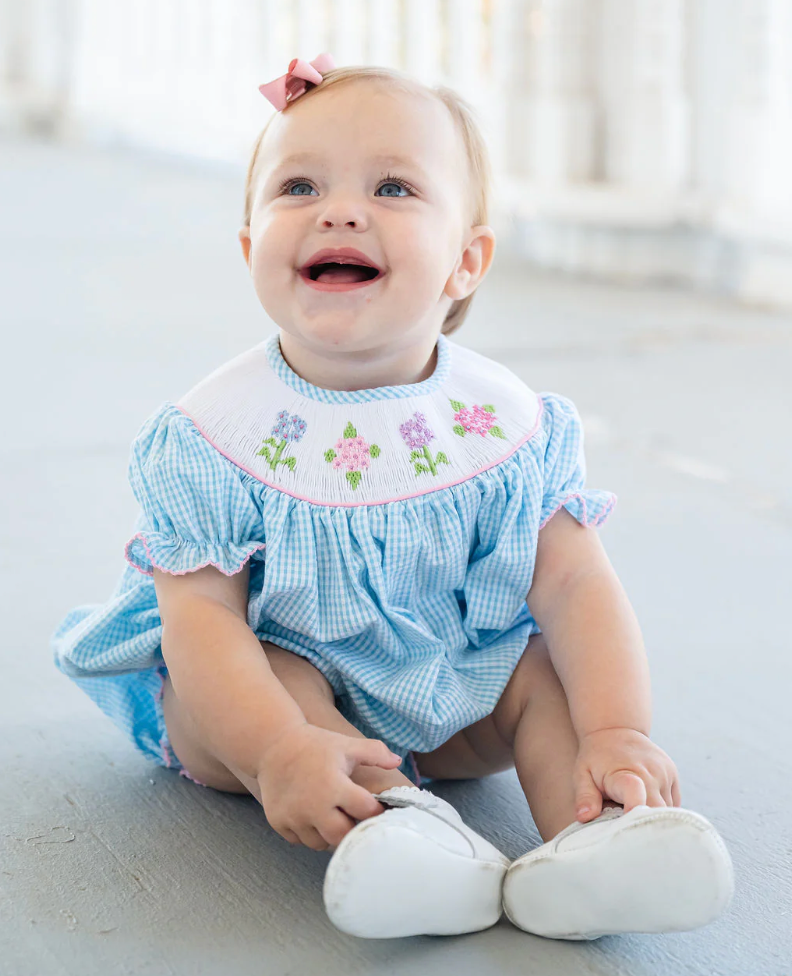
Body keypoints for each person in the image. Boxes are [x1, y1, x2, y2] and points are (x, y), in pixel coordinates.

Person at [51, 54, 734, 941]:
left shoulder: (505, 426)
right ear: (255, 248)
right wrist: (276, 751)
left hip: (448, 693)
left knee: (536, 670)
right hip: (263, 716)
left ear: (467, 261)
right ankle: (401, 833)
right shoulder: (214, 436)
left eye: (393, 188)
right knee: (273, 670)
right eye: (299, 186)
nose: (340, 209)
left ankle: (600, 836)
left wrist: (617, 729)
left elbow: (575, 588)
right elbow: (203, 624)